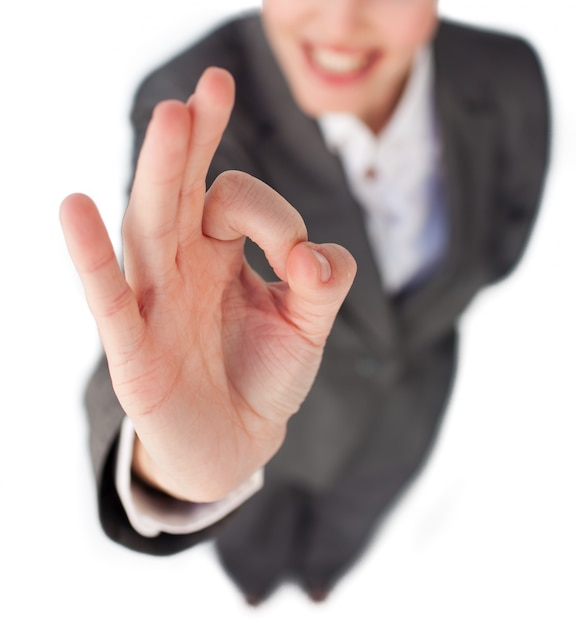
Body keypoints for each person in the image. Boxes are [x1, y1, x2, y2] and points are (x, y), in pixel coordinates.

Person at [60, 0, 550, 605]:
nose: (341, 23)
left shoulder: (511, 76)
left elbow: (502, 240)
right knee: (254, 556)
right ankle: (255, 593)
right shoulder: (190, 103)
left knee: (346, 535)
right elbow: (165, 315)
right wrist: (174, 472)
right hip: (261, 442)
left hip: (405, 418)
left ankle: (321, 582)